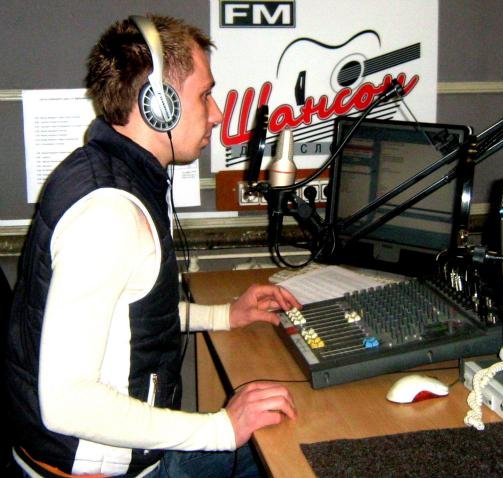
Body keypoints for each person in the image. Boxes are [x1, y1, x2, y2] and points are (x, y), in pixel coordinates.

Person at [4, 14, 301, 478]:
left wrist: (223, 316)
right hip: (99, 471)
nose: (218, 113)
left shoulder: (108, 170)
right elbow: (66, 403)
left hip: (111, 458)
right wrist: (221, 427)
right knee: (296, 445)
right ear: (160, 105)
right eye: (204, 95)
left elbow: (126, 320)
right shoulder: (109, 216)